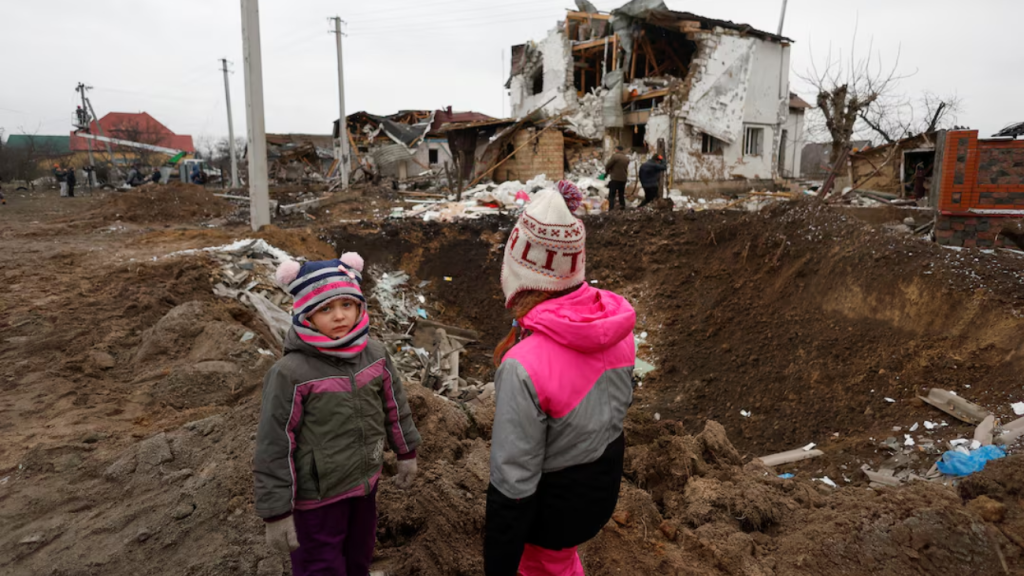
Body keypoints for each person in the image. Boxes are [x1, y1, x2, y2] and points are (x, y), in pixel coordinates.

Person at [486, 190, 636, 576]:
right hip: (598, 493)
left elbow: (512, 484)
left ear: (519, 272)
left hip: (548, 513)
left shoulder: (523, 365)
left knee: (539, 566)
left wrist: (498, 564)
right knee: (560, 562)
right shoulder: (616, 328)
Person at [254, 253, 421, 576]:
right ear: (305, 315)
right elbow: (274, 443)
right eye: (326, 309)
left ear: (360, 305)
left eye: (347, 304)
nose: (340, 316)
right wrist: (276, 512)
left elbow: (395, 406)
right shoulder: (291, 373)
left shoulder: (374, 353)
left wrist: (406, 451)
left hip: (364, 486)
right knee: (321, 567)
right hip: (317, 499)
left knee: (359, 559)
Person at [604, 145, 629, 211]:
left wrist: (607, 172)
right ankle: (623, 207)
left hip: (615, 178)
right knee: (621, 194)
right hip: (623, 179)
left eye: (615, 149)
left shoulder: (615, 156)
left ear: (617, 150)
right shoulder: (626, 158)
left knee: (612, 195)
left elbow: (608, 165)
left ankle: (611, 209)